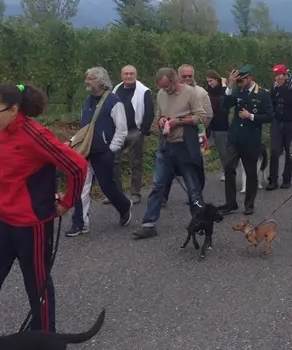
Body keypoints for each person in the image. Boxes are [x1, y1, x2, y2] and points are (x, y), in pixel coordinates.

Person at [0, 83, 87, 336]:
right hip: (3, 222)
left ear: (13, 110)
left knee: (37, 287)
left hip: (32, 226)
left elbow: (76, 166)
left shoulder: (35, 135)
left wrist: (67, 203)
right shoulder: (3, 130)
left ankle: (45, 345)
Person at [132, 68, 209, 239]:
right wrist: (161, 121)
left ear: (175, 80)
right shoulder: (160, 94)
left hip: (185, 146)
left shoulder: (190, 93)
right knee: (157, 185)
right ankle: (149, 224)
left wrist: (179, 121)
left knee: (193, 187)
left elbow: (202, 117)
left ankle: (200, 222)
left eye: (167, 86)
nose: (165, 90)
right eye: (162, 87)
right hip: (166, 145)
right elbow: (160, 114)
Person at [67, 67, 132, 237]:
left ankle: (125, 206)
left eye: (89, 79)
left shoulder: (113, 101)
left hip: (103, 152)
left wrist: (111, 149)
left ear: (100, 81)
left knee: (107, 187)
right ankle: (80, 223)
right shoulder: (87, 101)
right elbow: (85, 130)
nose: (86, 82)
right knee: (81, 187)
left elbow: (122, 129)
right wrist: (73, 142)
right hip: (85, 152)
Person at [218, 65, 273, 216]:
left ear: (250, 78)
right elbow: (225, 106)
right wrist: (229, 85)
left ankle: (249, 204)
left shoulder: (262, 94)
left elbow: (270, 116)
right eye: (237, 81)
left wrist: (252, 116)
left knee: (250, 172)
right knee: (229, 167)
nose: (239, 84)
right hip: (234, 137)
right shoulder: (236, 90)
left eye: (241, 81)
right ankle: (230, 203)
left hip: (251, 139)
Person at [111, 65, 154, 204]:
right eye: (126, 74)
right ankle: (116, 193)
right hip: (118, 131)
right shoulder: (116, 90)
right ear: (121, 75)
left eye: (131, 74)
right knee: (113, 161)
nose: (128, 76)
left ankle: (135, 193)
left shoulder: (144, 91)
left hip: (135, 131)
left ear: (136, 75)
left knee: (136, 162)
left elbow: (149, 110)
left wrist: (144, 130)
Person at [267, 64, 292, 190]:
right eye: (275, 76)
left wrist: (281, 88)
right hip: (277, 121)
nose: (277, 78)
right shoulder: (274, 85)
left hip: (291, 122)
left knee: (290, 152)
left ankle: (287, 178)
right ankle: (272, 179)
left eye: (279, 75)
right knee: (274, 150)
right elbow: (271, 101)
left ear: (285, 74)